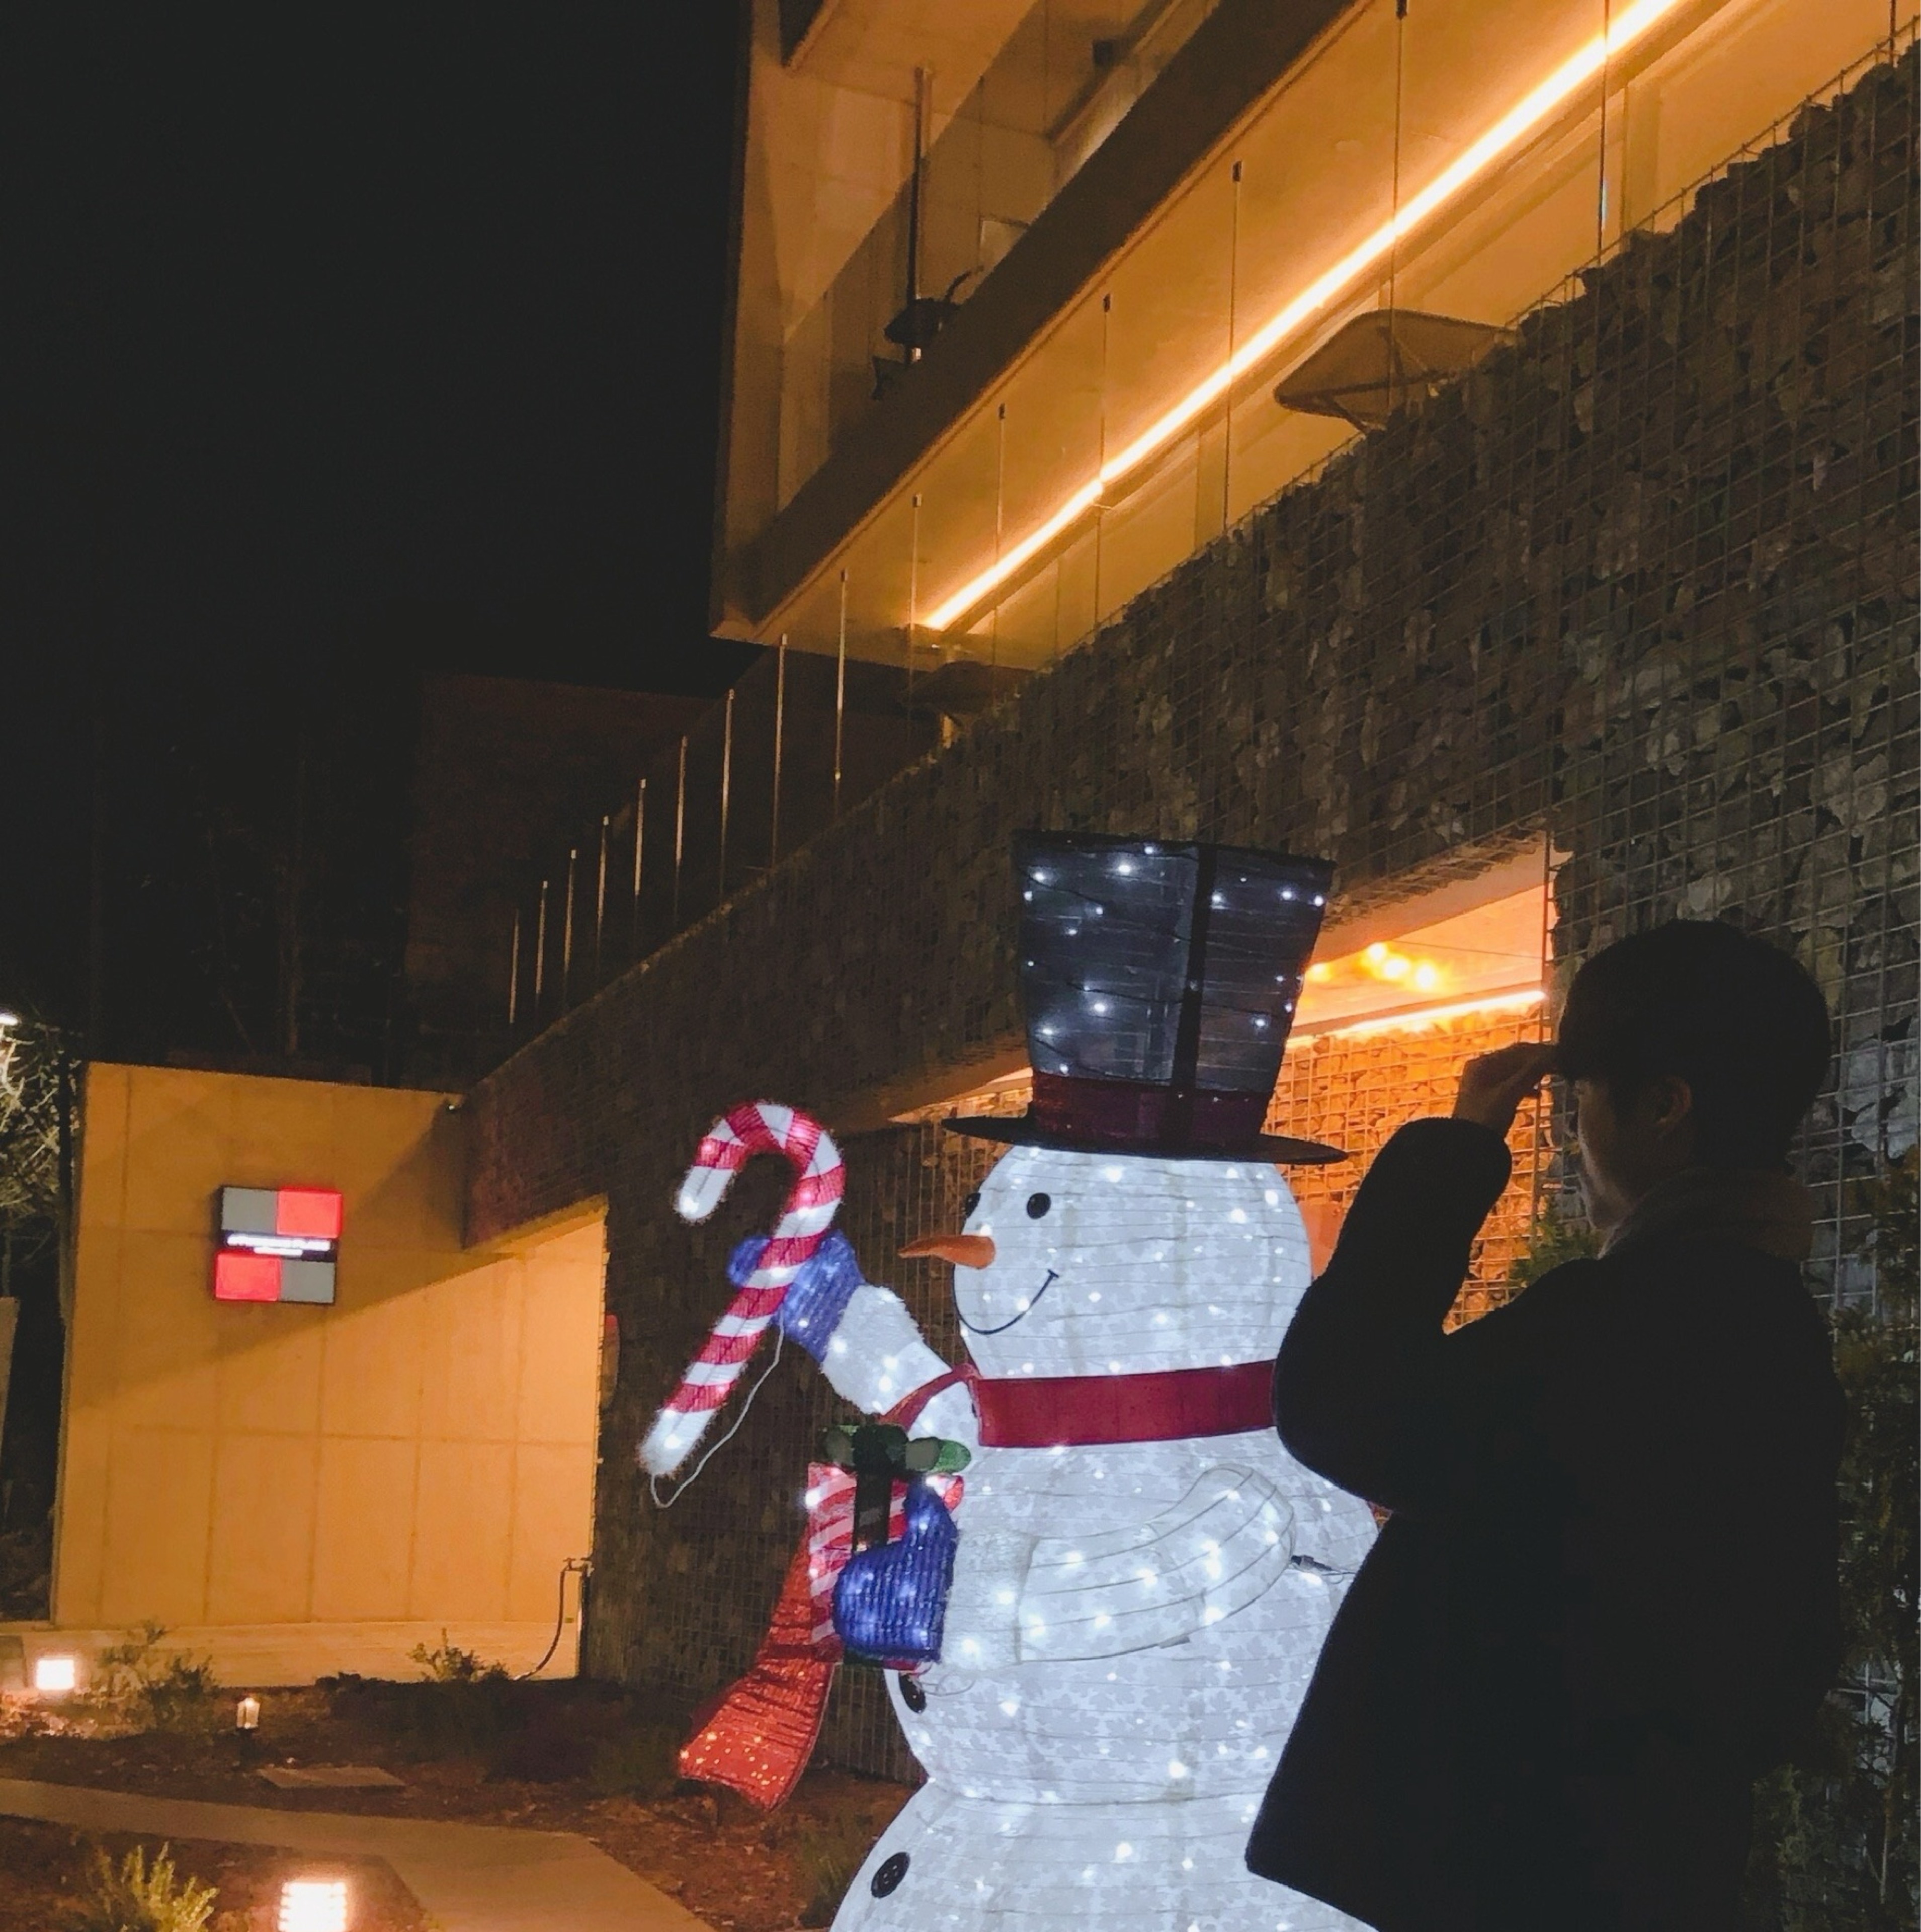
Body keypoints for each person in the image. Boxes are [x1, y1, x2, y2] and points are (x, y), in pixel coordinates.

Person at [1245, 920, 1846, 1931]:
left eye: (1580, 1100)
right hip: (1640, 1855)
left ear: (1663, 1107)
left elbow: (1344, 1407)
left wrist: (1458, 1151)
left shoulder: (1641, 1317)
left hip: (1518, 1860)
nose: (1573, 1140)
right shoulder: (1766, 1316)